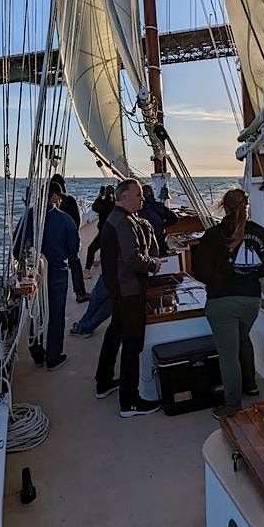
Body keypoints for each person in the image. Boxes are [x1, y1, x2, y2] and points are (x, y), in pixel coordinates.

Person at [191, 188, 264, 419]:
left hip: (222, 302)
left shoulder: (213, 235)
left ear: (224, 207)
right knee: (242, 338)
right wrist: (247, 273)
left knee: (228, 354)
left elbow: (199, 270)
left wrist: (219, 278)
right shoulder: (261, 233)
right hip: (251, 301)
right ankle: (251, 385)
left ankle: (232, 404)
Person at [94, 178, 163, 417]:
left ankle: (102, 383)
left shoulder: (117, 219)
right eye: (138, 195)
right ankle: (129, 401)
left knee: (115, 333)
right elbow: (133, 259)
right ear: (123, 197)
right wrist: (153, 263)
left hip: (119, 290)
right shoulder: (123, 222)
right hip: (130, 291)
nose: (142, 199)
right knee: (133, 344)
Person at [39, 182, 79, 370]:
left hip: (35, 274)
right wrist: (70, 261)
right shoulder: (65, 219)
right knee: (56, 313)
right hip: (57, 272)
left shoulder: (28, 217)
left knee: (36, 311)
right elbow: (74, 247)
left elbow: (17, 248)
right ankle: (53, 357)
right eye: (59, 196)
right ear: (54, 197)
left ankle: (37, 354)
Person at [50, 173, 89, 302]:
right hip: (69, 239)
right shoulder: (70, 200)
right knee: (75, 263)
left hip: (54, 241)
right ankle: (80, 293)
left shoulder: (45, 204)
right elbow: (77, 221)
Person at [83, 185, 115, 276]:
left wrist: (100, 196)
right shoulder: (115, 204)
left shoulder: (102, 203)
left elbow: (94, 207)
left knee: (91, 249)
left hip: (104, 233)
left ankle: (87, 270)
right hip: (114, 232)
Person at [139, 184, 179, 256]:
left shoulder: (137, 209)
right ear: (152, 194)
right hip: (159, 239)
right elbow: (174, 218)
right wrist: (163, 226)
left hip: (143, 242)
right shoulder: (158, 206)